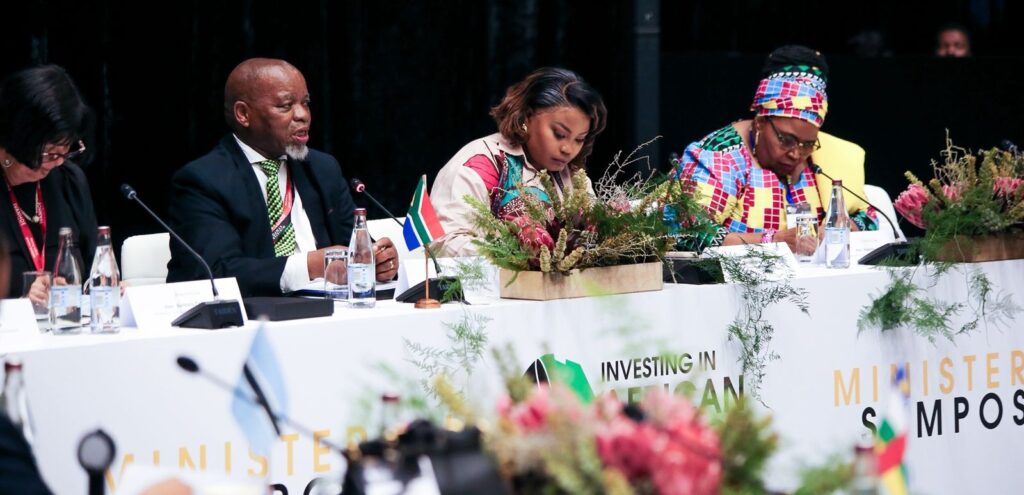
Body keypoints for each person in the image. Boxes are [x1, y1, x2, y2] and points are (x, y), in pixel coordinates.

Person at [167, 58, 398, 297]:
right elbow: (215, 272)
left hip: (330, 307)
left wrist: (378, 260)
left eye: (305, 103)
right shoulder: (203, 180)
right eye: (286, 106)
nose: (303, 115)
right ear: (243, 114)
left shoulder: (322, 168)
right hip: (252, 320)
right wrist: (311, 265)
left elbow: (355, 248)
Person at [670, 45, 877, 252]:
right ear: (760, 122)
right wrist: (773, 240)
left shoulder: (833, 154)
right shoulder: (719, 155)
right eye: (786, 140)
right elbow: (685, 233)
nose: (796, 153)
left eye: (807, 144)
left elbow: (869, 217)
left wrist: (841, 226)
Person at [431, 67, 607, 256]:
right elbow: (444, 244)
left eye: (579, 139)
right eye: (559, 134)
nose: (568, 149)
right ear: (526, 117)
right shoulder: (478, 164)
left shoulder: (571, 176)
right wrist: (518, 254)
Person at [0, 65, 97, 302]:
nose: (59, 161)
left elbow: (94, 267)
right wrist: (19, 301)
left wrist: (102, 285)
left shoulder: (68, 181)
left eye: (67, 151)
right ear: (18, 138)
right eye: (50, 152)